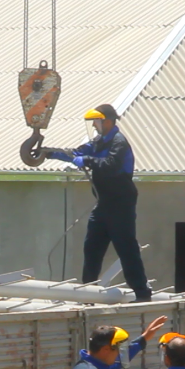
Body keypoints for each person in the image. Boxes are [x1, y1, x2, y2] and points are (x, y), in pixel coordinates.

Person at [48, 104, 152, 301]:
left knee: (126, 249)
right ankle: (88, 293)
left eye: (97, 121)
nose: (94, 125)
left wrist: (87, 161)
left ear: (107, 121)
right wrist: (51, 153)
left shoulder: (119, 143)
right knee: (92, 249)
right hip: (103, 204)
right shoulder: (98, 141)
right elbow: (77, 153)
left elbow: (110, 165)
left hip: (121, 206)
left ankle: (142, 294)